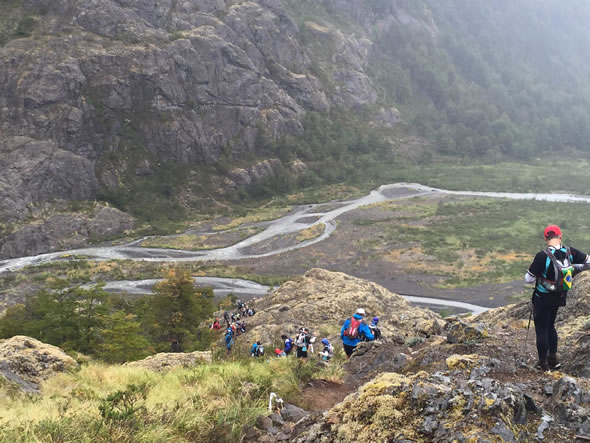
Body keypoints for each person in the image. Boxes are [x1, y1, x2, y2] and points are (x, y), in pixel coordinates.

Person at [525, 224, 590, 370]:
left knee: (541, 329)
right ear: (560, 236)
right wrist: (573, 270)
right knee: (551, 326)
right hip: (559, 296)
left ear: (545, 238)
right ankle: (553, 359)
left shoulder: (542, 256)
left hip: (542, 298)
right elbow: (588, 261)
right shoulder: (570, 251)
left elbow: (528, 279)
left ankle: (543, 364)